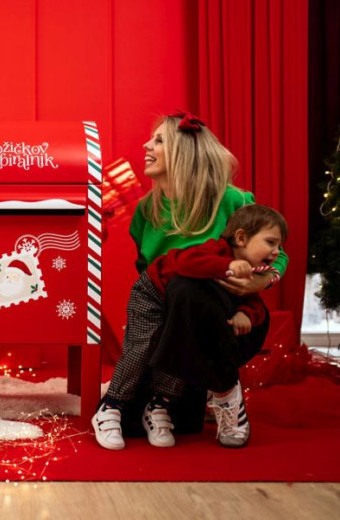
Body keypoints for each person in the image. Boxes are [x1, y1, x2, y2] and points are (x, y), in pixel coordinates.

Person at [91, 112, 289, 451]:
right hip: (174, 328)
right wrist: (142, 333)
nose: (146, 146)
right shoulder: (145, 212)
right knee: (146, 421)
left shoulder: (234, 201)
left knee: (186, 287)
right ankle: (184, 393)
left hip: (231, 321)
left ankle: (224, 391)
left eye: (158, 140)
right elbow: (150, 281)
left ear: (185, 153)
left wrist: (263, 281)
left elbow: (274, 253)